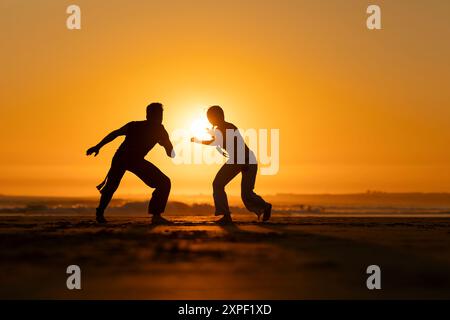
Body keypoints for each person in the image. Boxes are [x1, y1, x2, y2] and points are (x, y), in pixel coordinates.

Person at [86, 103, 174, 225]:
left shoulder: (159, 130)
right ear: (148, 115)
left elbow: (170, 153)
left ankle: (156, 215)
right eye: (157, 115)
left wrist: (167, 145)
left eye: (160, 115)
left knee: (164, 182)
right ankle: (100, 213)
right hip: (122, 158)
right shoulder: (136, 126)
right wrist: (98, 146)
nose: (159, 118)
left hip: (134, 160)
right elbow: (115, 134)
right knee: (112, 186)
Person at [191, 105, 272, 224]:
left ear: (218, 116)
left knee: (244, 193)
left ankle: (265, 207)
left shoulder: (228, 127)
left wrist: (198, 140)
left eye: (210, 117)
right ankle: (227, 215)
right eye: (208, 117)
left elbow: (218, 142)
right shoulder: (220, 128)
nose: (209, 120)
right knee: (220, 185)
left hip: (246, 159)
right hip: (237, 160)